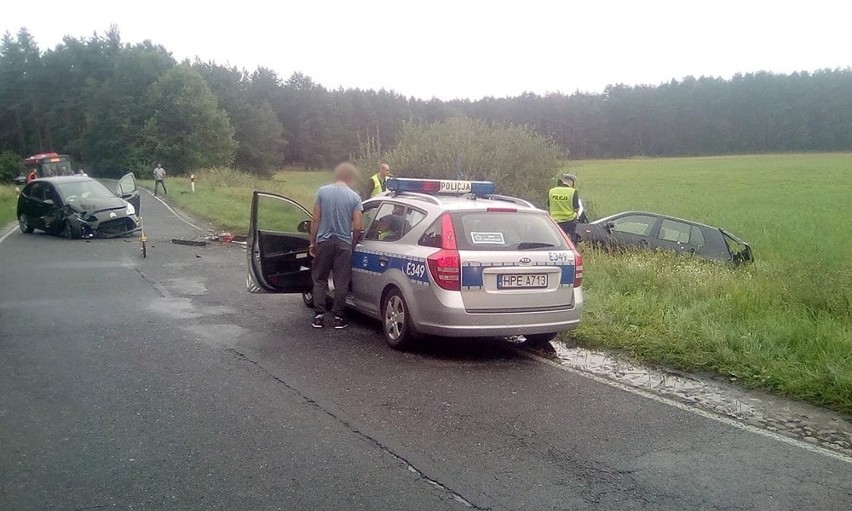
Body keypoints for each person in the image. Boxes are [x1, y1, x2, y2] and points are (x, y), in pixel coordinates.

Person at [309, 162, 363, 330]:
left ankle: (319, 316)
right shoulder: (354, 197)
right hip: (343, 243)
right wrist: (352, 243)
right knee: (341, 281)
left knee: (319, 278)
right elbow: (358, 226)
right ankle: (338, 317)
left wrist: (312, 241)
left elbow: (315, 219)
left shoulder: (322, 192)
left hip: (324, 241)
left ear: (337, 175)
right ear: (350, 178)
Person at [548, 173, 581, 241]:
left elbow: (549, 205)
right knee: (570, 241)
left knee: (556, 240)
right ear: (571, 183)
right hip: (569, 221)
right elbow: (576, 209)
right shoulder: (572, 191)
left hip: (554, 221)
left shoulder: (552, 191)